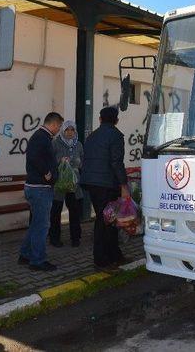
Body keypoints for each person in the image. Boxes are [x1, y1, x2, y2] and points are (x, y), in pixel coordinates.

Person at [80, 106, 130, 269]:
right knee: (105, 221)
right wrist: (124, 185)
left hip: (92, 183)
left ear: (100, 119)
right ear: (116, 120)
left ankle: (112, 254)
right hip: (107, 184)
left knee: (107, 220)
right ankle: (102, 259)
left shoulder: (91, 136)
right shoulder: (116, 136)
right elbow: (116, 162)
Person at [18, 112, 64, 271]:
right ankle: (37, 261)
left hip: (37, 188)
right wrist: (47, 173)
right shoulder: (41, 137)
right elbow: (33, 156)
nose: (59, 130)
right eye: (59, 126)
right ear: (54, 124)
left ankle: (25, 254)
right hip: (40, 189)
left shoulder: (42, 137)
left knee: (37, 224)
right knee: (43, 225)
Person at [49, 120, 84, 248]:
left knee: (74, 211)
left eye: (72, 130)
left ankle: (75, 237)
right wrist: (61, 161)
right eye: (67, 130)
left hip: (73, 184)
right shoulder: (55, 143)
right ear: (63, 131)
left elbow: (82, 161)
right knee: (56, 210)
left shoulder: (78, 144)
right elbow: (50, 160)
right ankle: (54, 237)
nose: (70, 132)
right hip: (59, 183)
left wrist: (76, 163)